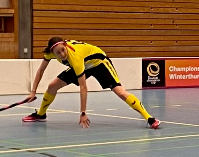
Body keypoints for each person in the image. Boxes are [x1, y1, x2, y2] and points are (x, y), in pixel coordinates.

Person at [23, 37, 160, 129]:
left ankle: (149, 118)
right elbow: (41, 70)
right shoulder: (49, 53)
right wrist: (33, 91)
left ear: (65, 45)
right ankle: (41, 114)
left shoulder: (75, 57)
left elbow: (83, 87)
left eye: (63, 50)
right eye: (58, 53)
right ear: (52, 53)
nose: (62, 54)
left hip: (99, 63)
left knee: (120, 91)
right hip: (85, 64)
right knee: (52, 86)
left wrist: (83, 113)